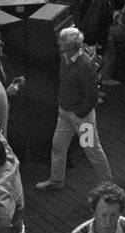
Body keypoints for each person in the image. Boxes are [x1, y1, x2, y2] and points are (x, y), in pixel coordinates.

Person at [37, 27, 113, 191]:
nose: (61, 51)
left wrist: (80, 112)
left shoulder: (84, 66)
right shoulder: (66, 58)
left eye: (64, 48)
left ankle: (107, 184)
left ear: (74, 48)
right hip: (65, 114)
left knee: (92, 150)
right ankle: (56, 180)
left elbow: (92, 96)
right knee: (58, 146)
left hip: (81, 118)